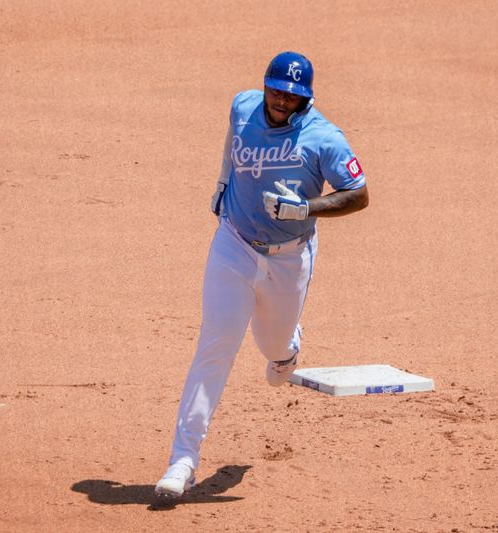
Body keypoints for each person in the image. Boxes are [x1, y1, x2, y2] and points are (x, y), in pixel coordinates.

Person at [155, 51, 369, 498]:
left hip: (289, 258)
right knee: (214, 347)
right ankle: (183, 460)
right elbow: (232, 140)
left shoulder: (324, 139)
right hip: (233, 244)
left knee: (272, 347)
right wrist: (220, 185)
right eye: (275, 90)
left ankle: (287, 348)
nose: (280, 100)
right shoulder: (243, 104)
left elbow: (359, 194)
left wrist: (307, 207)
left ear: (305, 99)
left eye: (291, 96)